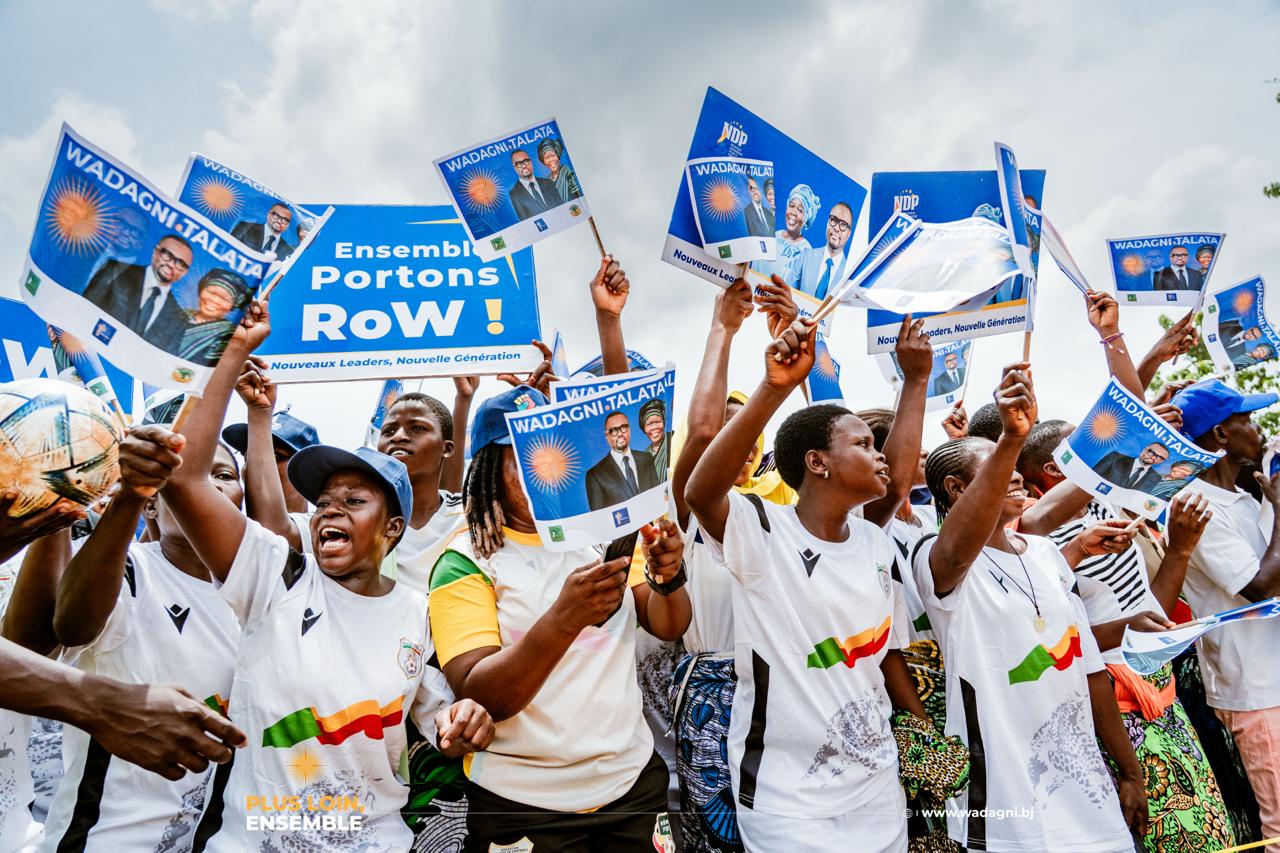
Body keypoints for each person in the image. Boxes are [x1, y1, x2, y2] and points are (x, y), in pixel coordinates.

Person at [160, 300, 493, 851]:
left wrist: (465, 720)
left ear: (392, 528)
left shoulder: (417, 610)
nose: (329, 510)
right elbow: (187, 482)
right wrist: (230, 352)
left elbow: (443, 720)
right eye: (323, 501)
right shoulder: (273, 579)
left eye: (353, 500)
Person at [684, 316, 935, 851]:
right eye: (864, 444)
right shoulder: (762, 530)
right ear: (816, 462)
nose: (880, 456)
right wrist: (773, 389)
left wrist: (916, 383)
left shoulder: (872, 541)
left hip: (877, 786)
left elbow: (882, 654)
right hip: (789, 802)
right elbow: (700, 493)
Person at [428, 384, 690, 850]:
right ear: (488, 465)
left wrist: (667, 575)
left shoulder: (596, 533)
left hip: (629, 785)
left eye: (549, 454)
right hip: (524, 803)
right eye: (522, 456)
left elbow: (668, 623)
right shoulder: (466, 559)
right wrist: (565, 619)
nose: (541, 469)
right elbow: (480, 692)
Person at [914, 363, 1147, 852]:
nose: (1016, 472)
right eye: (997, 460)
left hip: (1085, 791)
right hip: (1005, 796)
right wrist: (1011, 438)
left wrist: (1128, 771)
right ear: (957, 489)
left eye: (1016, 459)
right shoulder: (936, 558)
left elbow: (1089, 671)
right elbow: (958, 549)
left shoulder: (1046, 556)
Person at [37, 426, 243, 850]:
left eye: (222, 475)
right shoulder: (128, 569)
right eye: (189, 475)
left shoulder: (255, 599)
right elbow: (71, 627)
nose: (206, 487)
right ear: (153, 504)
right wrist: (128, 495)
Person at [1170, 378, 1280, 845]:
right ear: (1219, 436)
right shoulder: (1196, 506)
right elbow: (1259, 586)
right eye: (1247, 421)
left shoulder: (1244, 493)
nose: (1258, 431)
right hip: (1256, 689)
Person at [222, 383, 322, 553]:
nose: (258, 464)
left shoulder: (324, 527)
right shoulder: (227, 531)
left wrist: (259, 412)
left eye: (276, 456)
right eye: (249, 457)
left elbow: (272, 538)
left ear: (309, 473)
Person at [81, 233, 193, 352]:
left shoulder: (180, 320)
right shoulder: (115, 272)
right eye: (167, 255)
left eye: (180, 263)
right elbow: (82, 312)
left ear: (185, 272)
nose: (171, 264)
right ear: (155, 252)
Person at [585, 410, 660, 511]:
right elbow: (601, 519)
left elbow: (658, 496)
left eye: (624, 427)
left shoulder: (647, 458)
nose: (620, 433)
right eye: (613, 430)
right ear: (607, 436)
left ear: (629, 430)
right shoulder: (595, 475)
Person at [175, 268, 248, 366]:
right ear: (201, 291)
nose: (214, 300)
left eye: (224, 299)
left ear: (233, 306)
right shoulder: (176, 312)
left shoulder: (228, 334)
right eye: (212, 292)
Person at [784, 201, 854, 299]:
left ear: (849, 234)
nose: (837, 228)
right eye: (833, 220)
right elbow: (786, 295)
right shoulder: (805, 256)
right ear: (827, 223)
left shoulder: (850, 275)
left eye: (843, 225)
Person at [508, 148, 563, 221]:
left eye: (526, 161)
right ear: (514, 167)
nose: (524, 166)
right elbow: (526, 221)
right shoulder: (514, 194)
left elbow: (562, 207)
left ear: (531, 162)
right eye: (518, 163)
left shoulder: (548, 182)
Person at [1094, 441, 1169, 492]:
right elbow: (1092, 477)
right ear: (1145, 449)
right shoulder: (1115, 458)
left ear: (1162, 461)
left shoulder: (1156, 478)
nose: (1153, 458)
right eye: (1152, 453)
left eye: (1159, 457)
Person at [536, 137, 581, 204]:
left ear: (558, 155)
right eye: (547, 157)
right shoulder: (547, 181)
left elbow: (580, 197)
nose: (551, 159)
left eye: (553, 155)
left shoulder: (568, 173)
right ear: (543, 161)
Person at [640, 398, 673, 481]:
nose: (654, 427)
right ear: (644, 429)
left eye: (658, 422)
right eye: (649, 424)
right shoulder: (643, 456)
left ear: (664, 423)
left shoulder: (673, 439)